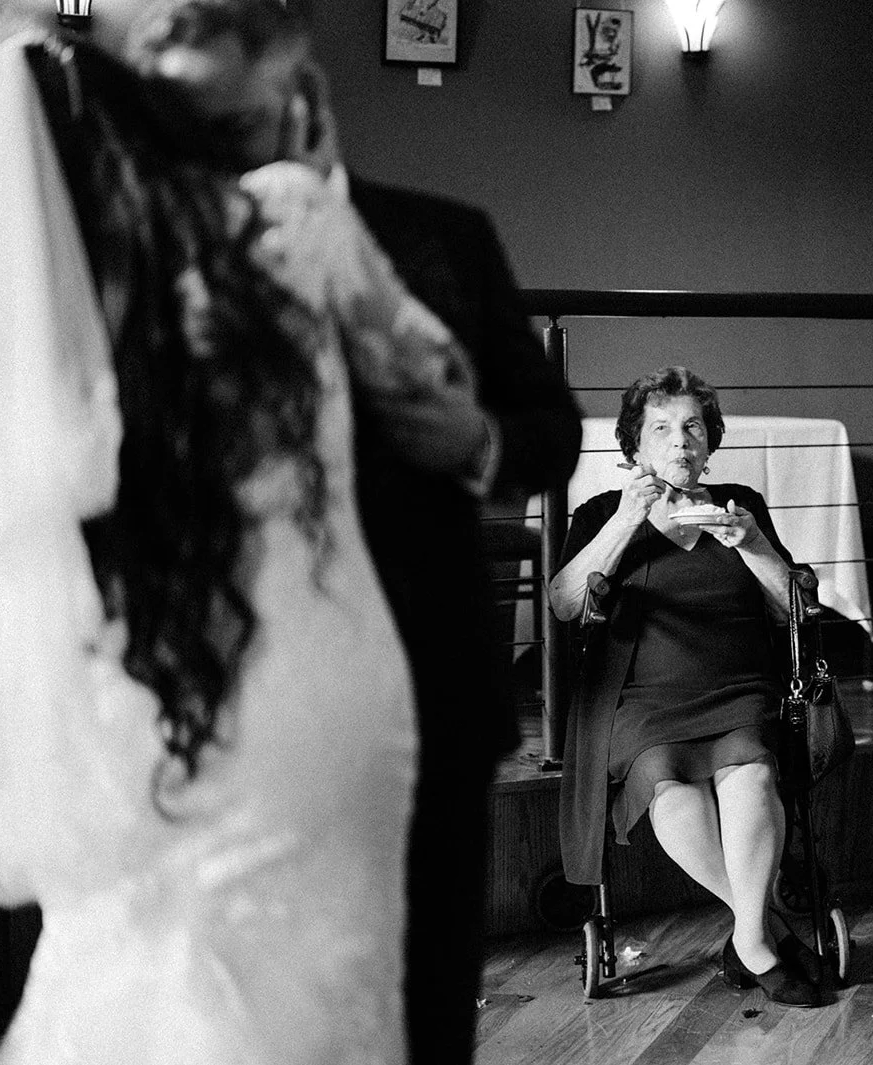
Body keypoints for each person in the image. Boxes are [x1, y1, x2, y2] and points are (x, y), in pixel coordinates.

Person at [0, 30, 466, 1063]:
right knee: (325, 987)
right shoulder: (287, 225)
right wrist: (319, 190)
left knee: (128, 967)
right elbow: (427, 367)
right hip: (317, 693)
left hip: (124, 707)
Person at [125, 4, 583, 1060]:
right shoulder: (157, 253)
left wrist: (477, 437)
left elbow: (551, 435)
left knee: (426, 1001)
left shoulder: (443, 235)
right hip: (242, 688)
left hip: (429, 681)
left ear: (303, 89)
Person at [549, 367, 824, 1009]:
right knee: (669, 787)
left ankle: (751, 938)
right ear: (635, 447)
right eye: (662, 429)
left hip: (737, 685)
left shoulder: (740, 505)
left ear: (710, 440)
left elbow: (795, 611)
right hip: (641, 698)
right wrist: (625, 522)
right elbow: (564, 604)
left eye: (693, 426)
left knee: (752, 774)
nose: (680, 441)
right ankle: (766, 929)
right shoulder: (600, 512)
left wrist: (753, 544)